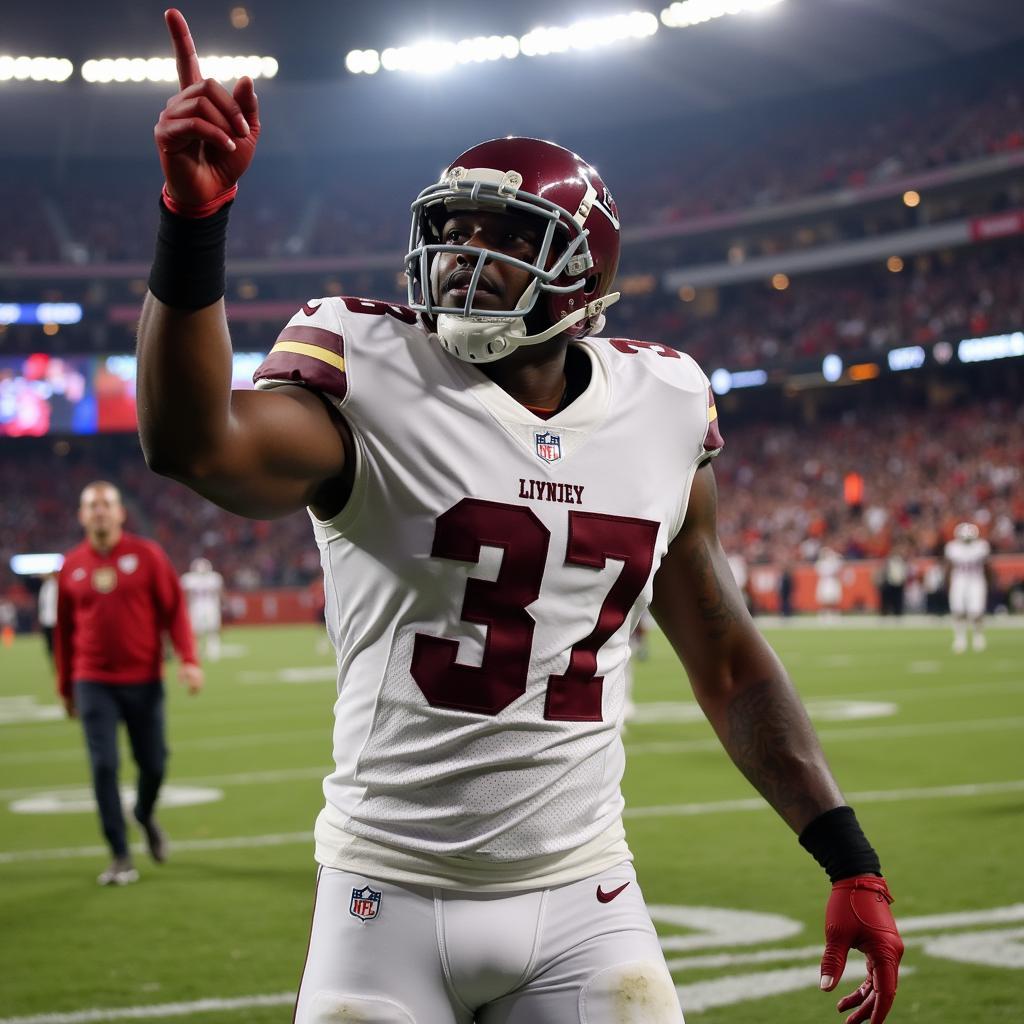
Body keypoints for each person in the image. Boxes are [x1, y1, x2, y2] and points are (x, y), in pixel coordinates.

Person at [137, 11, 903, 1021]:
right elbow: (196, 444)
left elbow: (722, 655)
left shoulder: (663, 403)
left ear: (583, 273)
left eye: (504, 237)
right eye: (450, 233)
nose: (463, 257)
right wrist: (196, 226)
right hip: (386, 895)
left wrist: (847, 853)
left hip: (586, 894)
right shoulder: (368, 366)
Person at [55, 481, 203, 885]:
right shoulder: (71, 566)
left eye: (106, 504)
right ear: (82, 516)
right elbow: (63, 633)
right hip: (93, 680)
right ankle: (120, 853)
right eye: (92, 506)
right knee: (104, 765)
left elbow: (175, 611)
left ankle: (143, 812)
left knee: (154, 763)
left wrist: (189, 659)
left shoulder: (148, 556)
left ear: (121, 513)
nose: (99, 511)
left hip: (144, 678)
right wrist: (65, 688)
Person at [944, 521, 991, 653]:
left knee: (976, 611)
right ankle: (960, 638)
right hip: (959, 581)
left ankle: (978, 636)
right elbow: (948, 568)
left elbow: (987, 567)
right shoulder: (952, 547)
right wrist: (947, 584)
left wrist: (989, 582)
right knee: (958, 610)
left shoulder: (981, 546)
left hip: (976, 581)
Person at [181, 556, 224, 660]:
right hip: (199, 606)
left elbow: (220, 593)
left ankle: (211, 650)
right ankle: (200, 650)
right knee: (197, 630)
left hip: (208, 606)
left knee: (211, 629)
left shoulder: (213, 577)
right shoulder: (189, 579)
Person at [38, 571, 59, 662]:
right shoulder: (45, 586)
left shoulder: (57, 586)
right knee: (49, 645)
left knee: (57, 644)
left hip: (56, 621)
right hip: (47, 620)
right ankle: (54, 660)